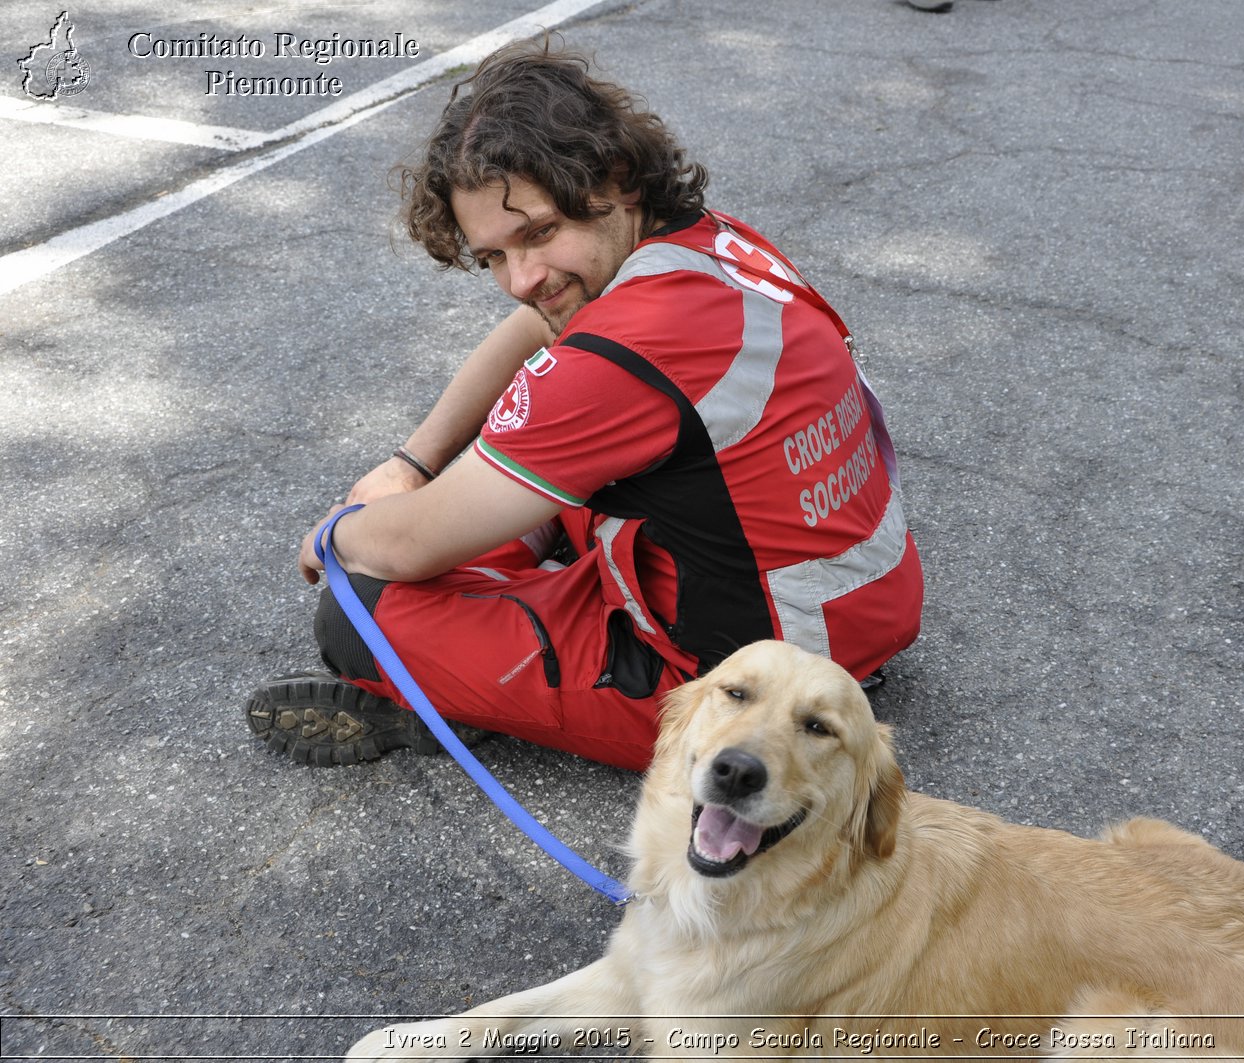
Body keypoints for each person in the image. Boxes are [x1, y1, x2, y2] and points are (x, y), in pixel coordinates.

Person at [245, 39, 924, 772]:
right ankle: (503, 581)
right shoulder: (701, 240)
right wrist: (413, 461)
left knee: (359, 610)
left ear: (617, 179)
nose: (519, 278)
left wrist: (339, 533)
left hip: (753, 694)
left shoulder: (629, 350)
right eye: (494, 256)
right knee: (532, 409)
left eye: (537, 234)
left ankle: (455, 695)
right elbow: (538, 329)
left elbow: (404, 546)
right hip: (854, 601)